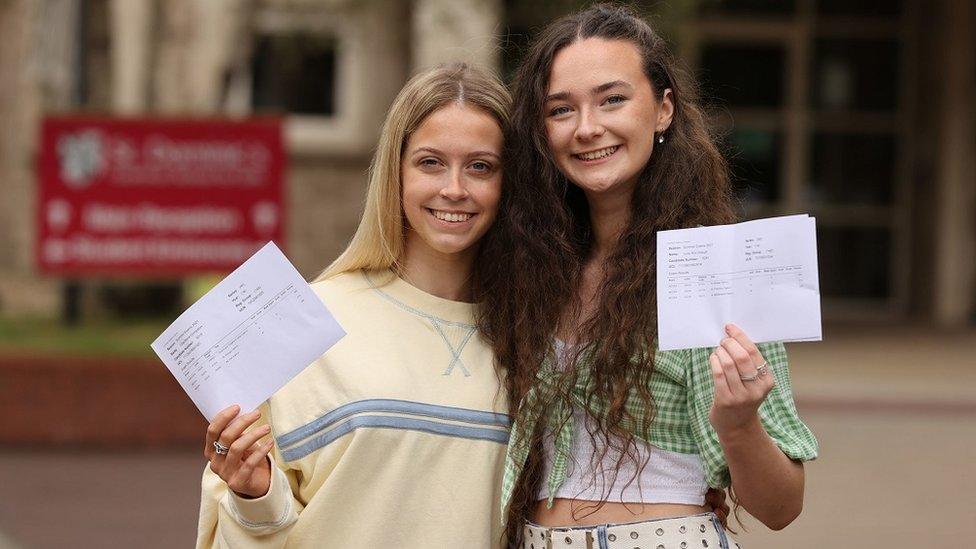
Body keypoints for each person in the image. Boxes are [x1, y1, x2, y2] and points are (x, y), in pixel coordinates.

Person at [475, 4, 819, 548]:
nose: (588, 128)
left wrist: (739, 423)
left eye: (613, 99)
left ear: (663, 109)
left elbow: (781, 507)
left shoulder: (715, 270)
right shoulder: (531, 265)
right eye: (561, 109)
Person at [196, 63, 512, 548]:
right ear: (396, 171)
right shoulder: (299, 322)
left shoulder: (534, 335)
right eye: (430, 162)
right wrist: (254, 493)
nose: (454, 188)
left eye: (480, 166)